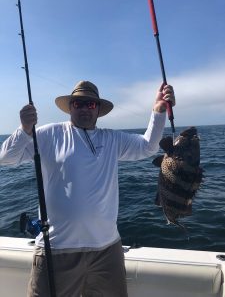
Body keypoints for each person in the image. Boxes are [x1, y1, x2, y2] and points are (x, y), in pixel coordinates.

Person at [0, 80, 175, 297]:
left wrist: (158, 110)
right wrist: (25, 129)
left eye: (90, 105)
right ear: (70, 107)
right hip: (56, 248)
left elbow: (148, 146)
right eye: (78, 103)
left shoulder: (111, 138)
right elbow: (6, 158)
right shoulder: (48, 135)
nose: (84, 108)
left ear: (99, 110)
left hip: (107, 250)